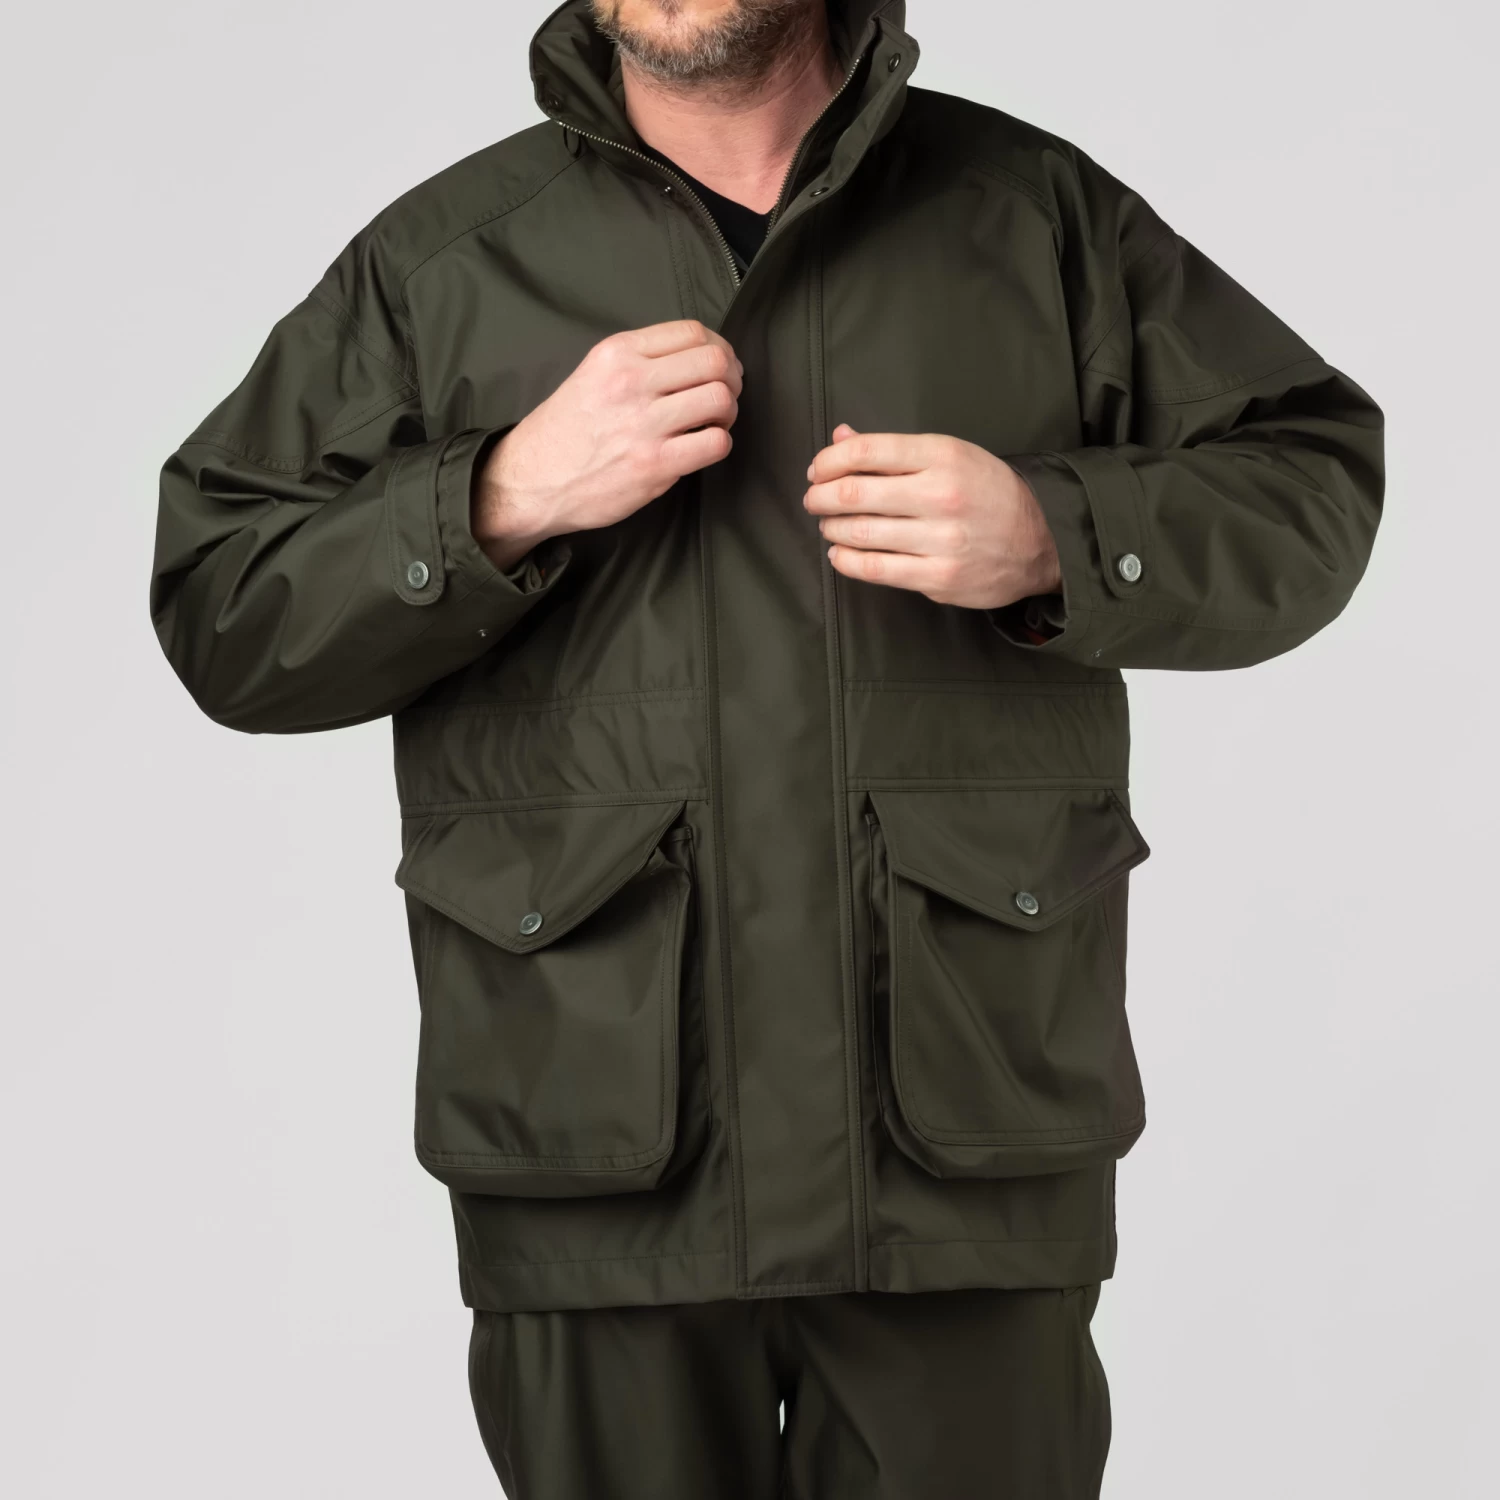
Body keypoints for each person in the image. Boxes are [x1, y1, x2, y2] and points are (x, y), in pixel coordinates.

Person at [149, 1, 1384, 1494]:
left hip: (959, 1157)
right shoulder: (447, 265)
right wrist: (495, 498)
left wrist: (1054, 533)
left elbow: (1311, 478)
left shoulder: (1031, 219)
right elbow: (221, 602)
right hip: (601, 1167)